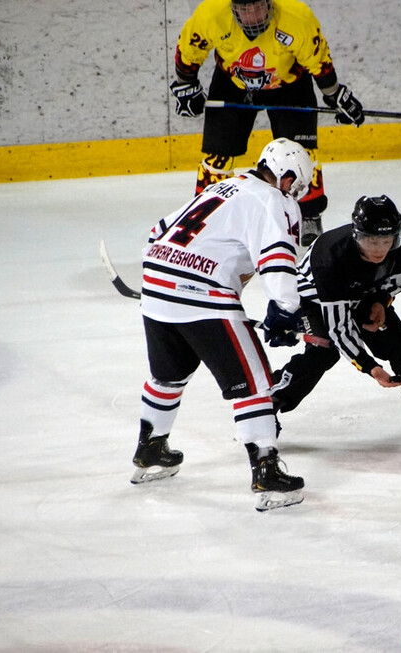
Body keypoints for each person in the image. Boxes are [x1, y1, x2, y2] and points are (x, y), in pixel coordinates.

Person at [130, 137, 313, 513]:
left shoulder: (224, 185)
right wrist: (286, 308)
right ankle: (266, 471)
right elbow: (277, 260)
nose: (293, 192)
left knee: (169, 375)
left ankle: (150, 449)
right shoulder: (273, 200)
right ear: (286, 176)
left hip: (156, 284)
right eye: (295, 184)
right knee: (256, 382)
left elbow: (157, 232)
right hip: (202, 295)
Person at [170, 0, 365, 247]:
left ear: (270, 3)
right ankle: (204, 216)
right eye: (245, 9)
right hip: (232, 83)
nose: (253, 16)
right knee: (217, 156)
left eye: (258, 7)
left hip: (290, 84)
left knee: (302, 153)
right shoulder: (211, 14)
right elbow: (189, 50)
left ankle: (309, 215)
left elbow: (319, 62)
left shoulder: (296, 18)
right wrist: (186, 84)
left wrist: (335, 94)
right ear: (232, 8)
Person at [271, 194, 401, 425]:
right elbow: (339, 328)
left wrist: (381, 302)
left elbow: (396, 284)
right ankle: (271, 399)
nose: (380, 249)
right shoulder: (330, 258)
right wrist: (370, 367)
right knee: (324, 350)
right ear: (357, 236)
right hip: (316, 301)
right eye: (372, 241)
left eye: (387, 240)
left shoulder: (396, 249)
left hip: (364, 295)